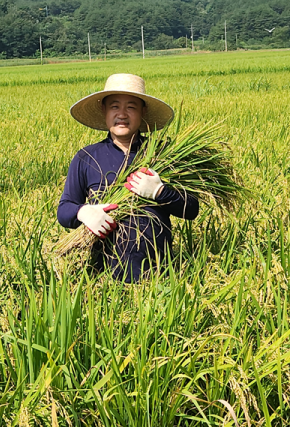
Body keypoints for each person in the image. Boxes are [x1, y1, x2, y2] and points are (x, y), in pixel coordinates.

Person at [57, 73, 199, 283]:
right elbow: (64, 211)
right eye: (115, 106)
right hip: (103, 277)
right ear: (104, 111)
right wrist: (83, 212)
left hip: (160, 275)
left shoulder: (163, 154)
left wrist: (160, 192)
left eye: (131, 107)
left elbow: (191, 209)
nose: (122, 114)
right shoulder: (86, 158)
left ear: (143, 111)